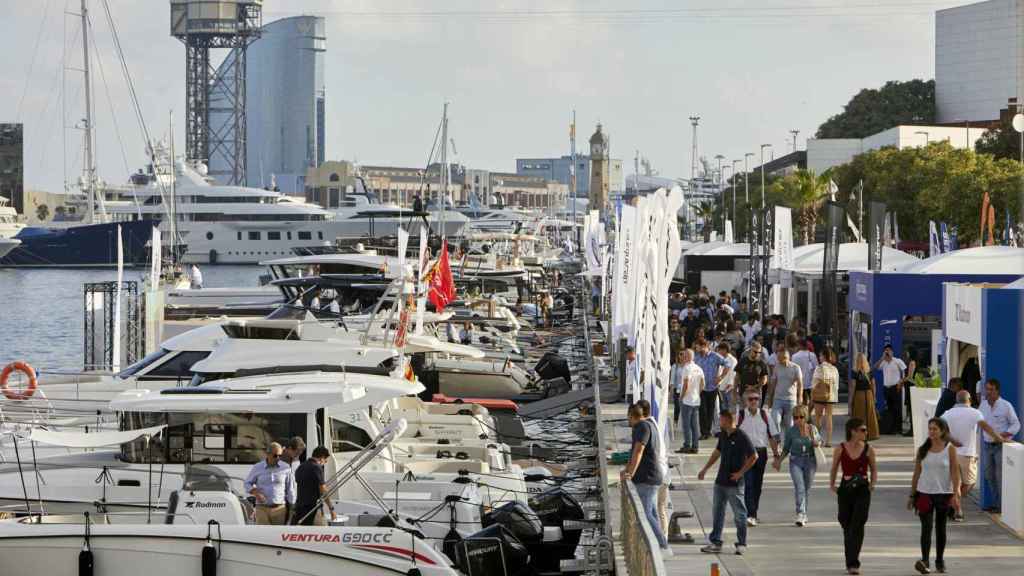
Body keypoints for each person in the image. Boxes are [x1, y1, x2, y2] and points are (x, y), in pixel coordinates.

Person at [698, 409, 756, 555]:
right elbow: (717, 452)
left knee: (739, 514)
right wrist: (705, 469)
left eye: (721, 419)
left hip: (735, 484)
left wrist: (740, 473)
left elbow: (753, 456)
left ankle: (741, 543)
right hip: (720, 481)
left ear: (728, 420)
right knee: (717, 512)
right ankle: (716, 541)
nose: (719, 422)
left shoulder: (742, 436)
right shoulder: (723, 435)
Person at [942, 389, 1006, 521]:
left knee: (956, 484)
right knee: (970, 483)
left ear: (956, 400)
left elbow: (939, 428)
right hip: (967, 455)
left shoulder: (948, 413)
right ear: (969, 400)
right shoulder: (975, 413)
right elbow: (986, 427)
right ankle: (957, 509)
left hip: (951, 453)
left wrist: (952, 440)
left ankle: (953, 505)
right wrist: (999, 438)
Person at [909, 418, 960, 575]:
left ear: (943, 431)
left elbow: (954, 471)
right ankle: (924, 560)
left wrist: (956, 493)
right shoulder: (922, 450)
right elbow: (917, 473)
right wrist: (912, 495)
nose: (931, 432)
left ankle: (940, 560)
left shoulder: (950, 449)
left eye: (935, 429)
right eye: (930, 429)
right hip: (924, 493)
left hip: (944, 494)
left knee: (941, 528)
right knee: (926, 528)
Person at [621, 402, 671, 554]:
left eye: (628, 418)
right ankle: (658, 543)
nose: (628, 422)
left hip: (647, 478)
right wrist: (627, 469)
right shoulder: (650, 425)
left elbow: (638, 451)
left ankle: (663, 546)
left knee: (645, 514)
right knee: (653, 512)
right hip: (653, 476)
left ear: (632, 416)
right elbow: (634, 453)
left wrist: (630, 472)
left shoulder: (642, 427)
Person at [830, 418, 878, 575]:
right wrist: (832, 485)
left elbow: (874, 469)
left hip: (863, 489)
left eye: (865, 430)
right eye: (862, 430)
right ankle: (850, 559)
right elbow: (835, 467)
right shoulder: (841, 448)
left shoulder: (869, 449)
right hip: (845, 489)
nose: (865, 433)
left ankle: (853, 563)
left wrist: (872, 485)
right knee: (846, 523)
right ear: (853, 431)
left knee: (858, 524)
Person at [737, 389, 780, 527]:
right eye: (751, 399)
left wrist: (776, 456)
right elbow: (733, 436)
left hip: (761, 454)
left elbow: (772, 436)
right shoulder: (741, 415)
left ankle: (753, 511)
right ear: (746, 401)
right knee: (748, 484)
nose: (754, 401)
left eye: (756, 398)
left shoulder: (765, 415)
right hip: (746, 454)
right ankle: (751, 515)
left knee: (757, 485)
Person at [977, 378, 1020, 513]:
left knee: (1000, 476)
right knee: (989, 475)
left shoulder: (1006, 406)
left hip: (1000, 446)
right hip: (987, 445)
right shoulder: (983, 406)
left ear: (997, 390)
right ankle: (997, 504)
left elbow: (1016, 424)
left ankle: (1002, 507)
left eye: (991, 389)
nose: (988, 392)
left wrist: (1006, 434)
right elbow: (978, 423)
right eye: (987, 389)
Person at [775, 405, 821, 527]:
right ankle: (801, 513)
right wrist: (779, 461)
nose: (798, 420)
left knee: (806, 488)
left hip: (810, 461)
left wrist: (816, 442)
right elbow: (786, 448)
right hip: (795, 461)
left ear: (805, 417)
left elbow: (818, 440)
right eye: (795, 417)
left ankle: (804, 513)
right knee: (800, 487)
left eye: (801, 417)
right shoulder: (791, 431)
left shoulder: (812, 428)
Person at [244, 443, 296, 525]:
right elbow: (247, 483)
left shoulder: (286, 467)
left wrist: (292, 507)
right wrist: (256, 493)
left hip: (280, 509)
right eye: (275, 456)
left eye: (280, 456)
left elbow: (290, 489)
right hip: (262, 509)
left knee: (278, 536)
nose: (278, 458)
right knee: (262, 536)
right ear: (268, 454)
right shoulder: (257, 467)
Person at [694, 339, 730, 439]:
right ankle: (704, 432)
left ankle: (708, 431)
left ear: (706, 346)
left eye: (700, 347)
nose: (699, 349)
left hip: (712, 387)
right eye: (697, 347)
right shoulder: (696, 357)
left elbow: (727, 364)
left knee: (710, 410)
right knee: (702, 410)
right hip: (701, 388)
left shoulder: (715, 356)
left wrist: (721, 377)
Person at [292, 446, 335, 526]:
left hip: (299, 508)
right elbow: (323, 489)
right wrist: (331, 508)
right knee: (322, 534)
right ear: (322, 457)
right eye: (325, 460)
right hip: (313, 509)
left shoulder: (300, 467)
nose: (325, 462)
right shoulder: (316, 467)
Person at [876, 344, 908, 434]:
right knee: (889, 409)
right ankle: (890, 428)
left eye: (889, 350)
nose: (887, 352)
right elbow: (876, 367)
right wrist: (882, 358)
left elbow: (904, 373)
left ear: (892, 352)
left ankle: (898, 428)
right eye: (886, 350)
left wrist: (900, 382)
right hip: (886, 388)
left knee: (897, 408)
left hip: (895, 387)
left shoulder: (898, 361)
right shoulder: (883, 362)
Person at [767, 349, 802, 432]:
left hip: (791, 400)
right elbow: (773, 384)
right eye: (778, 358)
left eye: (782, 358)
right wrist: (770, 398)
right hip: (778, 399)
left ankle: (788, 443)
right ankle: (778, 440)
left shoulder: (796, 368)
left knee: (790, 425)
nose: (780, 360)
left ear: (787, 357)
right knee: (775, 420)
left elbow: (800, 384)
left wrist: (800, 397)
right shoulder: (777, 367)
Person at [676, 349, 703, 454]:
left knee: (686, 425)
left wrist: (681, 397)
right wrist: (697, 393)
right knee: (695, 425)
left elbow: (686, 384)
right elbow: (702, 384)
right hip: (696, 400)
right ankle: (695, 446)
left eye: (684, 355)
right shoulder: (699, 368)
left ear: (687, 357)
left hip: (687, 400)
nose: (682, 357)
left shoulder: (686, 368)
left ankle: (687, 445)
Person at [812, 346, 840, 447]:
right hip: (831, 395)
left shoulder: (819, 368)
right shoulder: (834, 369)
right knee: (829, 417)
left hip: (820, 395)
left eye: (820, 355)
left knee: (818, 417)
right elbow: (836, 384)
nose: (819, 357)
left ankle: (818, 440)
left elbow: (815, 382)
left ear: (824, 356)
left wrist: (813, 392)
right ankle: (828, 441)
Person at [849, 353, 880, 441]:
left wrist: (851, 399)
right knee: (870, 415)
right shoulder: (869, 371)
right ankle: (872, 434)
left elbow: (853, 386)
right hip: (869, 394)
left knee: (859, 415)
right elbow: (873, 384)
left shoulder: (854, 372)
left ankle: (859, 436)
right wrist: (874, 396)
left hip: (859, 395)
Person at [736, 342, 770, 409]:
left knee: (755, 416)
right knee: (743, 416)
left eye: (759, 352)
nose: (757, 354)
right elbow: (737, 377)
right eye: (755, 352)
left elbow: (765, 379)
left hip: (756, 395)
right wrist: (734, 392)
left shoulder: (762, 363)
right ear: (750, 350)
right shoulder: (742, 361)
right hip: (743, 392)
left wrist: (755, 386)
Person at [792, 339, 819, 407]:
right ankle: (808, 413)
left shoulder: (794, 356)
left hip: (799, 382)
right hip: (811, 381)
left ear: (799, 345)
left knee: (802, 400)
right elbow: (817, 368)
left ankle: (804, 413)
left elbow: (793, 370)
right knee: (812, 400)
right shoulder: (812, 355)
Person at [716, 342, 739, 412]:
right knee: (723, 407)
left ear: (724, 350)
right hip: (721, 386)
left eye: (719, 350)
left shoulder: (733, 360)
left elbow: (733, 373)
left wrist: (730, 384)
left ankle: (732, 422)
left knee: (731, 407)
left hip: (730, 387)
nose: (718, 351)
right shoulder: (720, 358)